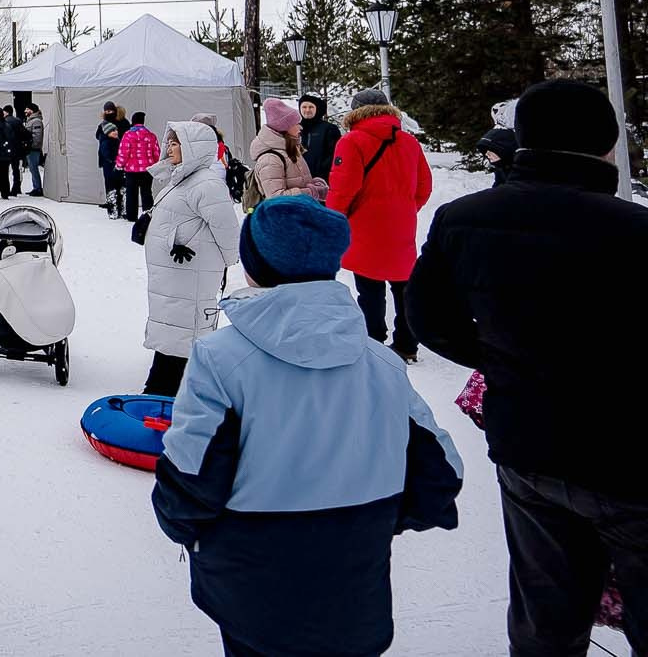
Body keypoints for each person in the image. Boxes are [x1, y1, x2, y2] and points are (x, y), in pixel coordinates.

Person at [153, 193, 462, 657]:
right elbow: (441, 474)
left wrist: (193, 532)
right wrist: (373, 522)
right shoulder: (382, 363)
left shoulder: (220, 359)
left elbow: (189, 483)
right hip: (356, 585)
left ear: (254, 264)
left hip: (251, 581)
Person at [407, 79, 648, 655]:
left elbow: (427, 318)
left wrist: (501, 358)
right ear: (608, 145)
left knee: (546, 611)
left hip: (528, 445)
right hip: (630, 459)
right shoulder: (635, 231)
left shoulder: (465, 219)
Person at [324, 88, 432, 363]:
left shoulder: (351, 142)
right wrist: (406, 208)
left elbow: (342, 189)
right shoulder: (409, 142)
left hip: (364, 226)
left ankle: (374, 341)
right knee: (403, 286)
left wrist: (334, 219)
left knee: (370, 289)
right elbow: (424, 186)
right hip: (401, 225)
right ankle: (407, 343)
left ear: (355, 111)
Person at [140, 120, 242, 396]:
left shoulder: (206, 183)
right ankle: (166, 388)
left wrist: (225, 262)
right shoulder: (182, 179)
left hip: (191, 273)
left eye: (176, 143)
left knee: (182, 331)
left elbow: (227, 230)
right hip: (175, 275)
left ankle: (164, 392)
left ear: (193, 148)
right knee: (173, 329)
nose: (170, 147)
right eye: (170, 142)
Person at [249, 96, 318, 203]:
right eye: (296, 124)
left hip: (299, 215)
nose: (300, 127)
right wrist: (311, 192)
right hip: (284, 218)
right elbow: (277, 199)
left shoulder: (291, 149)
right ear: (285, 128)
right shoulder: (270, 159)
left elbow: (296, 182)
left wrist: (315, 185)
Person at [116, 111, 159, 222]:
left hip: (131, 170)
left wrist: (119, 165)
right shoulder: (151, 135)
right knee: (147, 193)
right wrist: (156, 166)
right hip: (147, 170)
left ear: (133, 121)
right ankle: (148, 215)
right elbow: (156, 153)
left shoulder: (128, 135)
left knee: (131, 194)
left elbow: (123, 152)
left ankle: (131, 216)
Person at [297, 94, 342, 181]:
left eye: (311, 107)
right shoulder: (295, 128)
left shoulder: (329, 129)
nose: (307, 110)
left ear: (317, 109)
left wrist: (322, 172)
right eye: (304, 107)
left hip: (323, 179)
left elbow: (335, 154)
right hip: (299, 179)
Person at [96, 100, 127, 219]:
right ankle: (113, 207)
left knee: (121, 184)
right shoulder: (103, 124)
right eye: (106, 111)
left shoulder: (123, 123)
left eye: (110, 110)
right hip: (107, 159)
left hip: (120, 158)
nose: (108, 113)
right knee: (110, 183)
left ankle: (121, 208)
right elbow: (97, 135)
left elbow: (126, 137)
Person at [21, 105, 46, 197]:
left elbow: (37, 137)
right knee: (32, 169)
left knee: (34, 169)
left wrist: (30, 146)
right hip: (31, 149)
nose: (25, 111)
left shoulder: (36, 121)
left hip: (33, 149)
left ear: (32, 110)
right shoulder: (31, 121)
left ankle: (38, 188)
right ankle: (36, 187)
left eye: (27, 109)